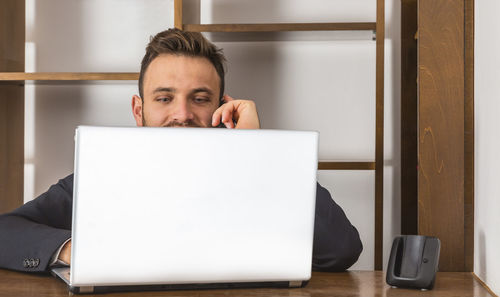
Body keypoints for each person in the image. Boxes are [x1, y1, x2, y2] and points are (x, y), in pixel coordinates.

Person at [0, 28, 362, 273]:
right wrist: (72, 251)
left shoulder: (255, 172)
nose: (182, 114)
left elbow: (341, 250)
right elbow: (7, 231)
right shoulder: (101, 175)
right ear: (139, 111)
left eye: (200, 99)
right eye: (164, 98)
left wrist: (258, 151)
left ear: (222, 108)